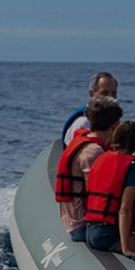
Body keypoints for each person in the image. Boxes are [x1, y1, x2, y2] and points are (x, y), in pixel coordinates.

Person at [79, 120, 135, 256]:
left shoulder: (102, 158)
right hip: (108, 235)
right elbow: (124, 211)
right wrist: (125, 248)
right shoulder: (132, 170)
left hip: (90, 231)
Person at [52, 98, 122, 236]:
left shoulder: (83, 140)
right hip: (83, 226)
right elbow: (97, 195)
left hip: (72, 220)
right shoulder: (94, 152)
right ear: (114, 126)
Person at [59, 72, 120, 144]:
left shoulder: (113, 121)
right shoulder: (83, 123)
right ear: (91, 94)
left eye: (113, 93)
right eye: (104, 93)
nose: (110, 97)